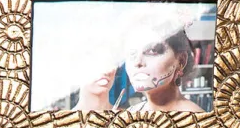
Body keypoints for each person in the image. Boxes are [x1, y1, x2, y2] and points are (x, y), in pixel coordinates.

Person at [78, 9, 206, 115]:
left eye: (152, 51)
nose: (137, 62)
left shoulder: (194, 118)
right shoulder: (130, 113)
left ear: (181, 61)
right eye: (131, 54)